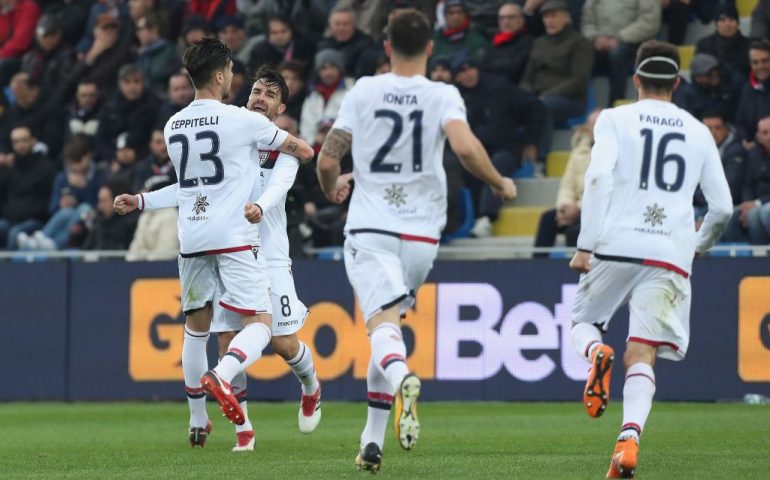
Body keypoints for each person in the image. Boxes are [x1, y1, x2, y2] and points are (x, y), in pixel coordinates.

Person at [316, 10, 516, 473]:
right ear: (430, 48)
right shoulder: (442, 93)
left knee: (382, 329)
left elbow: (329, 157)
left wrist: (332, 188)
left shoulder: (364, 90)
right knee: (387, 323)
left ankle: (404, 375)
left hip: (370, 228)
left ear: (386, 47)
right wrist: (500, 183)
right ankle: (371, 440)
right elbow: (465, 149)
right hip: (422, 237)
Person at [112, 38, 314, 446]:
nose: (251, 90)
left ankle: (198, 419)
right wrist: (297, 145)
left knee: (195, 330)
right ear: (221, 76)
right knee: (259, 325)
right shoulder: (241, 121)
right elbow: (304, 150)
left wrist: (142, 200)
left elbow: (190, 188)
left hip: (193, 239)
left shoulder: (172, 126)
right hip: (235, 238)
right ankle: (223, 386)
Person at [567, 40, 732, 478]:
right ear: (677, 83)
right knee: (641, 353)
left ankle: (594, 350)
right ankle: (628, 441)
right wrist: (696, 246)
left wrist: (585, 245)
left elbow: (599, 176)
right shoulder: (698, 130)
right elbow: (723, 208)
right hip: (669, 253)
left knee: (582, 324)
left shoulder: (615, 119)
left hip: (616, 244)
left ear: (636, 79)